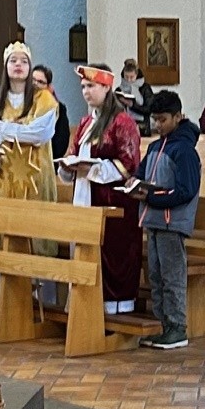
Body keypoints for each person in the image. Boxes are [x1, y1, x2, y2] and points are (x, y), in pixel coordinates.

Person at [64, 65, 141, 314]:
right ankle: (86, 306)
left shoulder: (122, 122)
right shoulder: (85, 123)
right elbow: (73, 153)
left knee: (113, 255)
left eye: (91, 86)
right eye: (83, 87)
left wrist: (93, 168)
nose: (86, 91)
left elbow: (129, 164)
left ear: (106, 87)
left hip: (114, 202)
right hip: (85, 195)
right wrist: (69, 166)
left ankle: (115, 310)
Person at [136, 91, 201, 350]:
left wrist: (151, 197)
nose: (158, 125)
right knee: (156, 276)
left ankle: (177, 327)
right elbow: (141, 174)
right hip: (153, 220)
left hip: (172, 224)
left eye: (163, 120)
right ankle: (164, 326)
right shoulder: (154, 146)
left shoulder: (184, 151)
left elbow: (186, 191)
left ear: (177, 117)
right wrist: (133, 184)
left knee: (172, 277)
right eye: (155, 120)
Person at [0, 42, 59, 200]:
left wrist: (3, 130)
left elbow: (40, 134)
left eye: (24, 61)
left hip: (37, 180)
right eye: (13, 60)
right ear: (6, 66)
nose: (18, 64)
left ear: (29, 68)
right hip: (6, 180)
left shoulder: (43, 98)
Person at [34, 65, 71, 161]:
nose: (35, 84)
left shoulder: (58, 109)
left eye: (40, 82)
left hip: (48, 161)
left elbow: (61, 144)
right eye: (32, 80)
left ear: (48, 87)